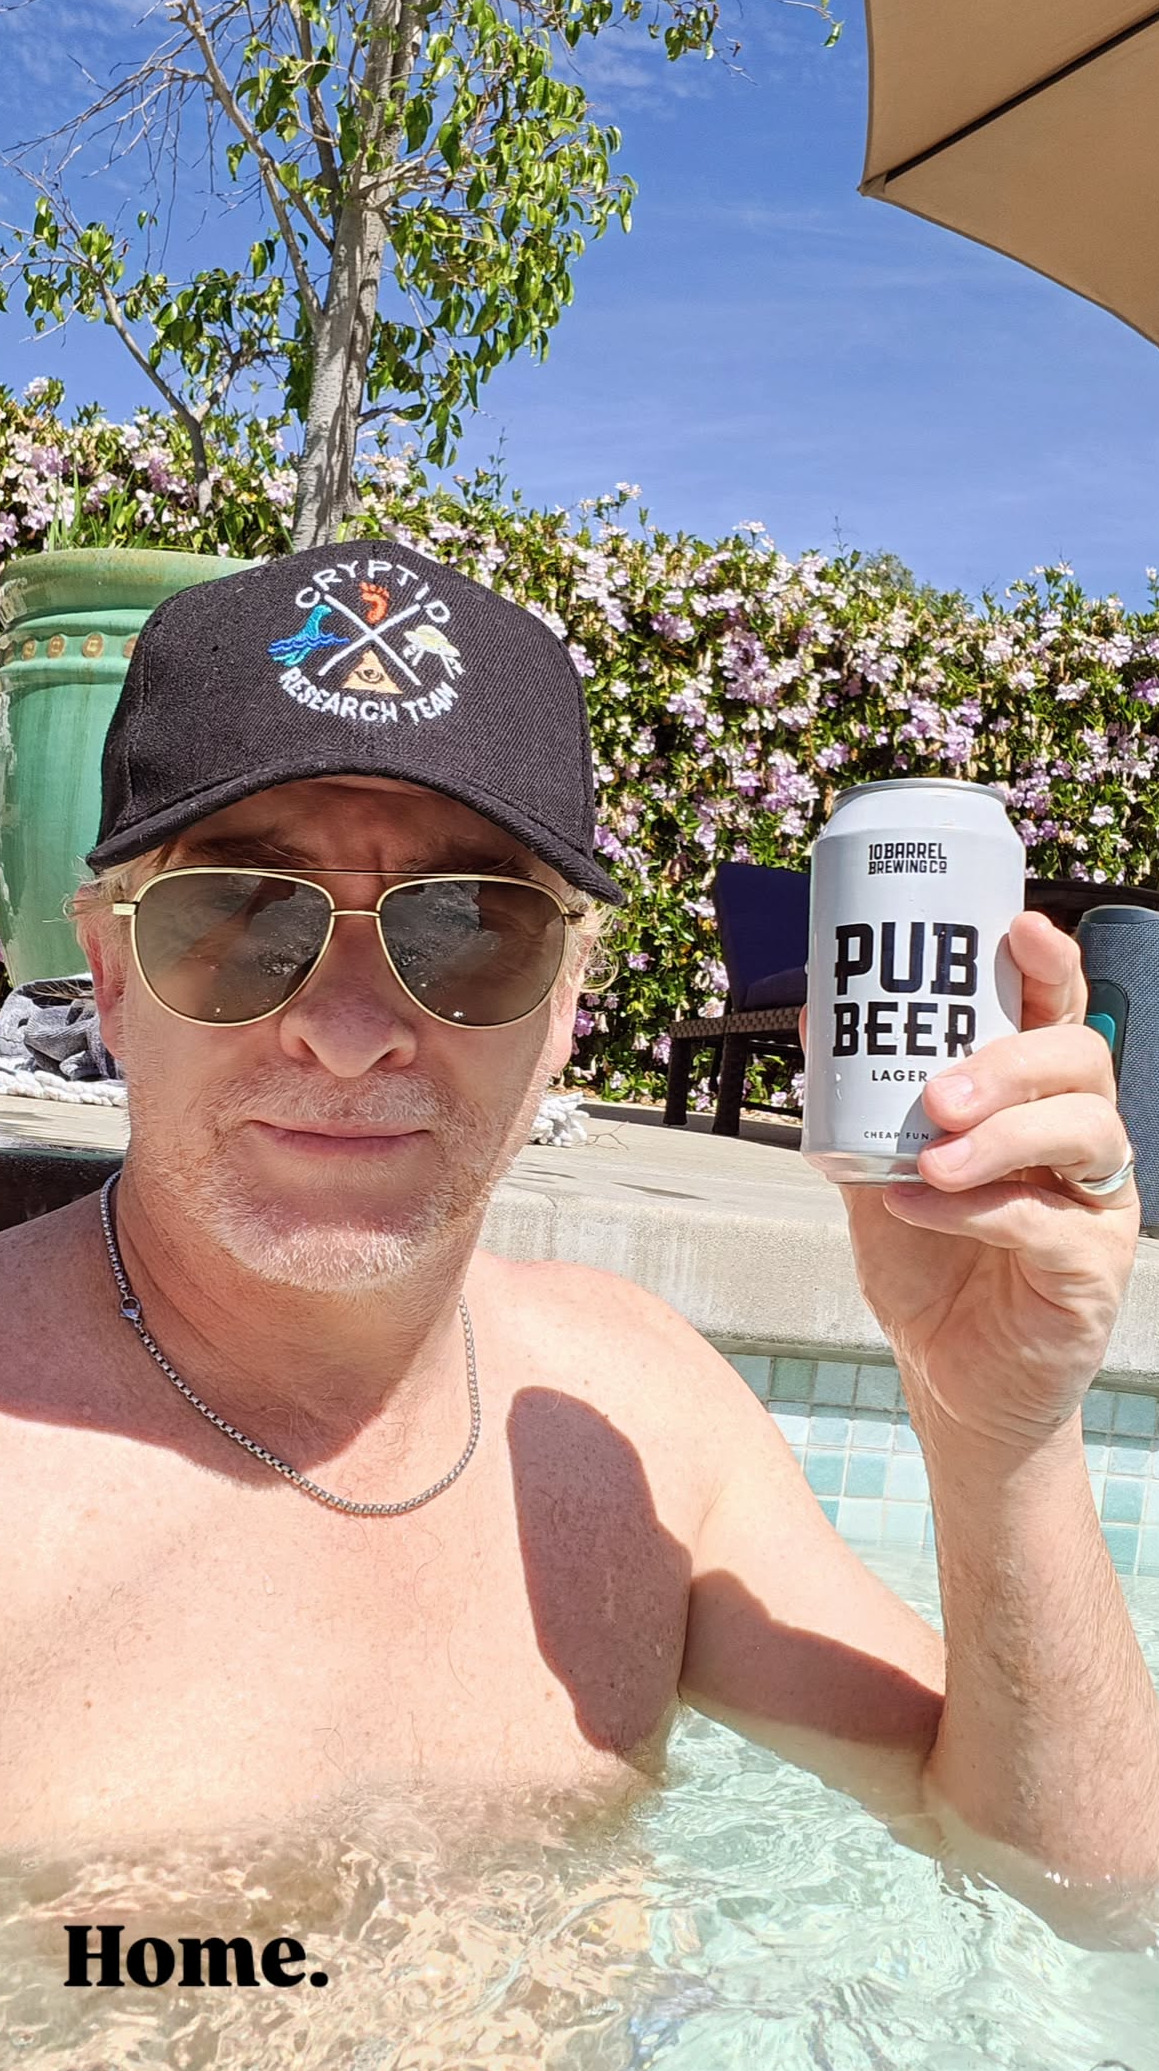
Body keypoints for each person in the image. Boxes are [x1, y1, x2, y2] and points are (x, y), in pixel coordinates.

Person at [1, 541, 1155, 1934]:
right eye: (243, 916)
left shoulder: (636, 1416)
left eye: (467, 926)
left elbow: (1080, 1898)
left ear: (562, 1009)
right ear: (111, 976)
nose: (351, 1032)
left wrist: (1001, 1439)